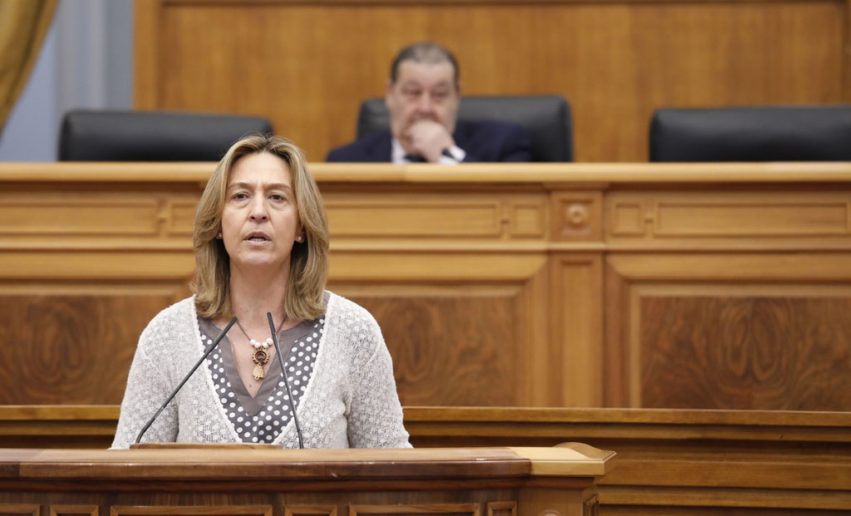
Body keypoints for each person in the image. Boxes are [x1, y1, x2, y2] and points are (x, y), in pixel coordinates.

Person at [112, 135, 411, 449]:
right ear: (217, 222)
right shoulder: (167, 335)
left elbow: (392, 464)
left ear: (301, 226)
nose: (258, 212)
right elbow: (127, 463)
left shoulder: (353, 332)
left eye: (277, 197)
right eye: (240, 196)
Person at [326, 41, 532, 163]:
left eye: (439, 94)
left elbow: (513, 207)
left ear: (457, 95)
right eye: (413, 93)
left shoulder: (503, 145)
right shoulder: (344, 161)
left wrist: (448, 156)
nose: (425, 108)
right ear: (390, 93)